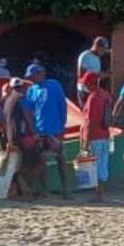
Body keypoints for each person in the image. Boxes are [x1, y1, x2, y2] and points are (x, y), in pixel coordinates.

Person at [25, 63, 71, 201]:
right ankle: (45, 190)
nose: (31, 79)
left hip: (56, 130)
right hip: (40, 131)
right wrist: (33, 131)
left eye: (33, 76)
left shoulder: (54, 85)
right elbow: (29, 112)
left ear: (41, 73)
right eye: (29, 77)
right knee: (41, 162)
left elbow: (62, 105)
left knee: (60, 159)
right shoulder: (31, 90)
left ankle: (65, 191)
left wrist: (62, 127)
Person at [2, 76, 43, 199]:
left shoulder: (7, 101)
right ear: (23, 87)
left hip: (11, 139)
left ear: (11, 87)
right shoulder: (21, 99)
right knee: (37, 163)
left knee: (22, 164)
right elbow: (28, 117)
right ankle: (27, 192)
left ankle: (23, 191)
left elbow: (5, 121)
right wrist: (35, 134)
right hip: (22, 139)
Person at [82, 74, 115, 203]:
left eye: (86, 83)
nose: (84, 86)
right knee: (103, 164)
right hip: (105, 134)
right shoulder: (105, 94)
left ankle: (99, 194)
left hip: (95, 135)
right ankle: (100, 193)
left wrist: (86, 140)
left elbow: (90, 121)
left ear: (91, 83)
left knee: (96, 165)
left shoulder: (93, 97)